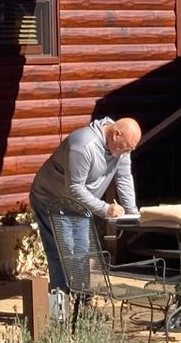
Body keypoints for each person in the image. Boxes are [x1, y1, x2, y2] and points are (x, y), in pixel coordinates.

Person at [28, 115, 141, 296]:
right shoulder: (83, 145)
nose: (124, 152)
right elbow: (74, 188)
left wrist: (132, 212)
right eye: (124, 147)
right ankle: (60, 305)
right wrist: (105, 209)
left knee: (81, 251)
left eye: (128, 150)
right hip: (51, 198)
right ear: (115, 135)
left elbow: (124, 177)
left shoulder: (123, 149)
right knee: (63, 250)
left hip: (79, 204)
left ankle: (81, 302)